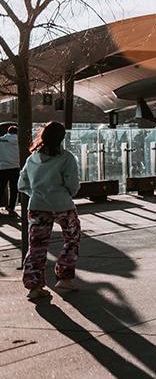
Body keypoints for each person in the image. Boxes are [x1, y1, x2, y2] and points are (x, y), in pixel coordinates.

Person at [19, 122, 81, 300]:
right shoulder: (66, 158)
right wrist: (65, 194)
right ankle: (64, 277)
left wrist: (36, 194)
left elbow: (22, 184)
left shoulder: (32, 159)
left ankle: (34, 286)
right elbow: (73, 184)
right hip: (63, 205)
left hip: (38, 207)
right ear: (62, 138)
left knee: (36, 246)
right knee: (72, 238)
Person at [0, 125, 19, 216]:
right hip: (15, 167)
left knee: (1, 187)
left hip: (2, 167)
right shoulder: (20, 141)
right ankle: (11, 208)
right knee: (14, 189)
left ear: (8, 132)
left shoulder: (1, 140)